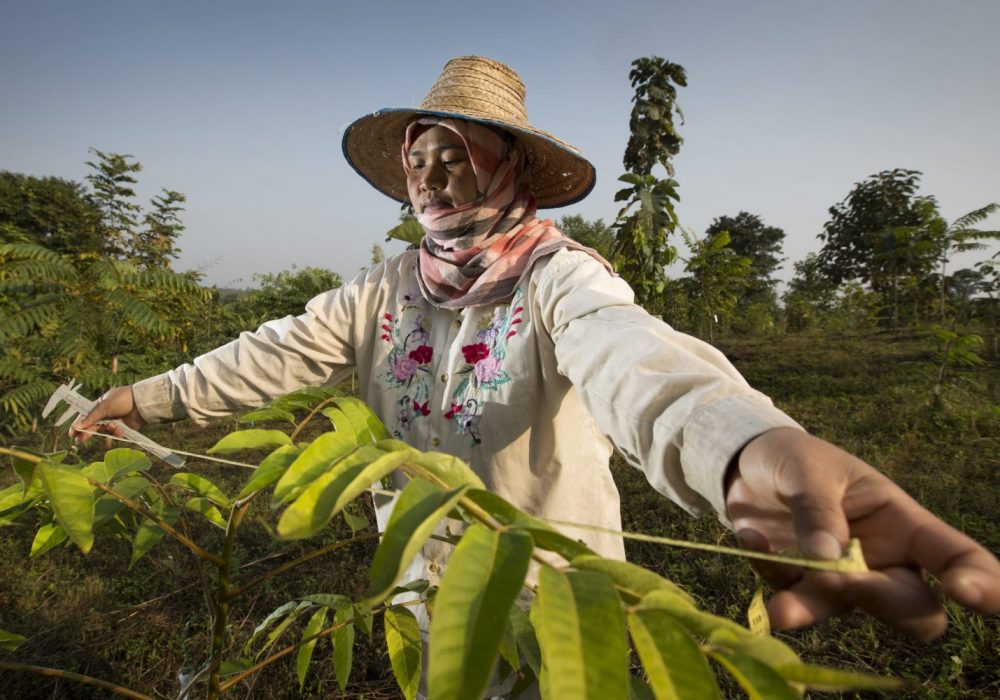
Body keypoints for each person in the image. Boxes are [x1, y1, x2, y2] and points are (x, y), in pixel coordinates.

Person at [72, 56, 999, 645]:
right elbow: (268, 352)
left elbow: (638, 361)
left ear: (506, 167)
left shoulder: (561, 277)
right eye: (422, 159)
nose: (436, 178)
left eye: (459, 157)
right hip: (416, 572)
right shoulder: (385, 288)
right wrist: (148, 399)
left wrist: (745, 448)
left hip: (548, 580)